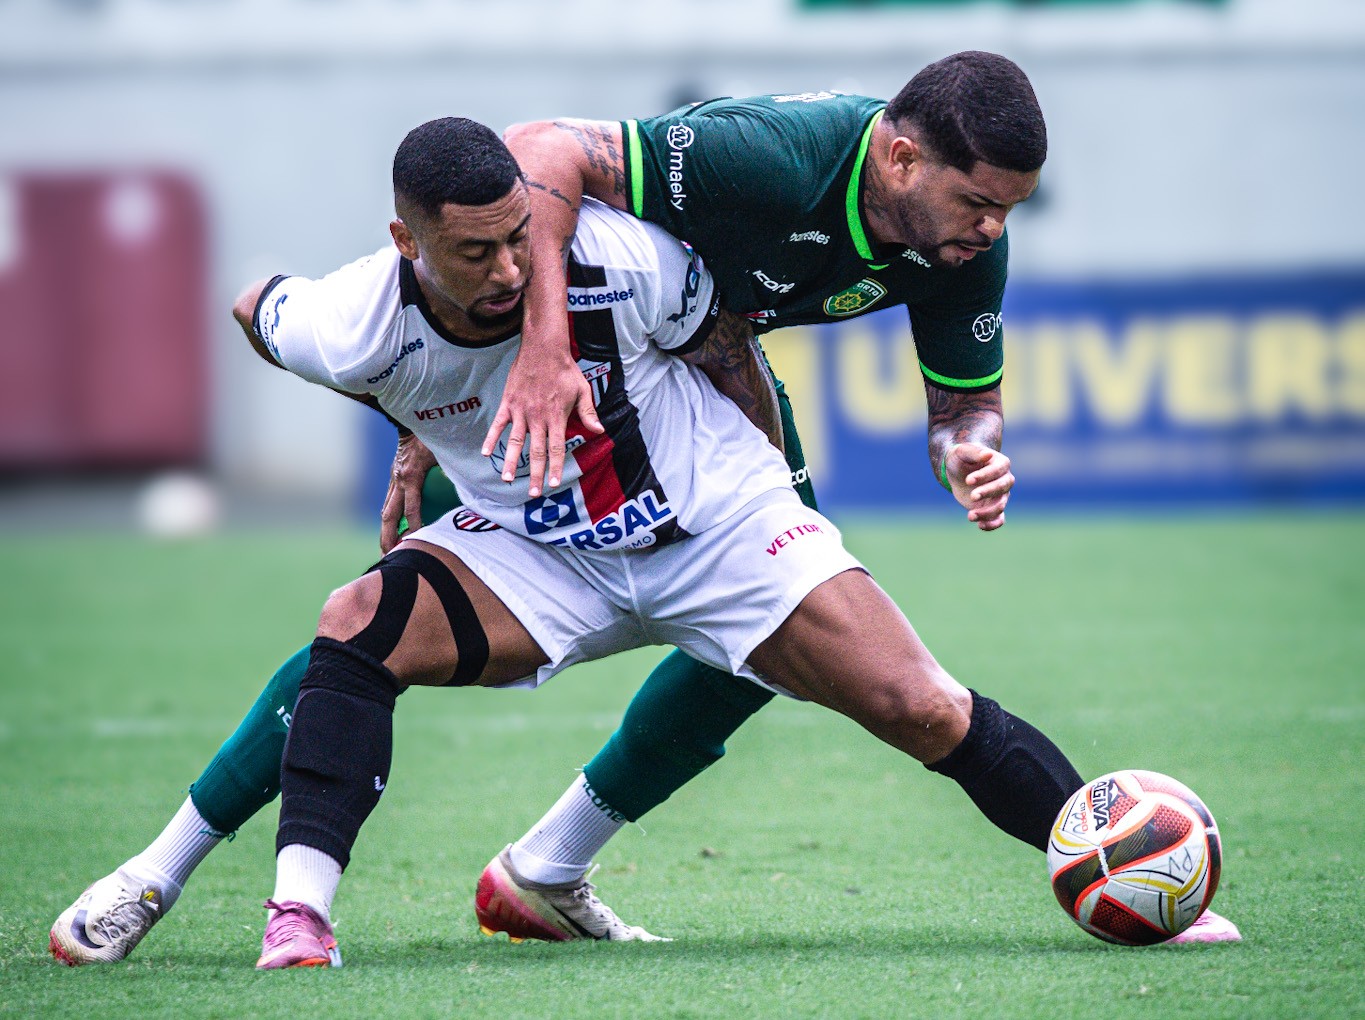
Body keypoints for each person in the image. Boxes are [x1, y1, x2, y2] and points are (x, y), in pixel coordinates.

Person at [48, 52, 1235, 966]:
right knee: (360, 624)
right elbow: (519, 162)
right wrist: (459, 390)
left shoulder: (922, 248)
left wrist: (953, 455)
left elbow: (912, 390)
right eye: (982, 200)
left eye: (1012, 209)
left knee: (898, 690)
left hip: (703, 454)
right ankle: (171, 874)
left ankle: (552, 869)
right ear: (905, 158)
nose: (994, 229)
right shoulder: (766, 156)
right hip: (536, 492)